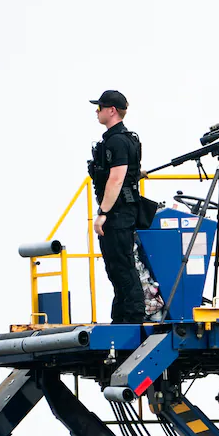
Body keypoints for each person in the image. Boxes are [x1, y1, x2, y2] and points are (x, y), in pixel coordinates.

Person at [87, 90, 146, 323]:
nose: (97, 111)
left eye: (100, 107)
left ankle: (132, 316)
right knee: (116, 265)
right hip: (122, 209)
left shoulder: (117, 140)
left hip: (118, 212)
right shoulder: (125, 138)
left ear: (112, 110)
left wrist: (103, 213)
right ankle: (122, 316)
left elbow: (116, 178)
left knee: (121, 265)